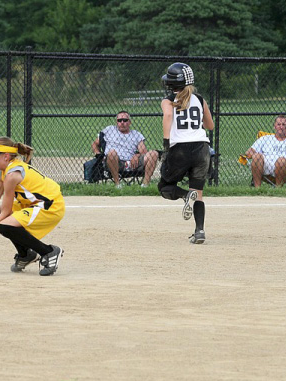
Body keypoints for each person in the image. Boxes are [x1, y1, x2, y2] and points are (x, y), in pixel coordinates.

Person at [0, 137, 65, 276]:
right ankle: (25, 254)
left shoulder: (12, 175)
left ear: (6, 156)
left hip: (49, 206)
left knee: (5, 225)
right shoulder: (3, 172)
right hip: (31, 203)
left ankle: (48, 251)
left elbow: (6, 212)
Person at [158, 62, 214, 244]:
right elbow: (210, 126)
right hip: (202, 148)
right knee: (198, 191)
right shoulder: (199, 98)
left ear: (171, 84)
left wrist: (166, 142)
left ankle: (183, 195)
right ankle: (199, 231)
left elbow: (168, 116)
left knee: (164, 187)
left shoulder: (168, 101)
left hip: (180, 149)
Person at [91, 111, 158, 187]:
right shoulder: (109, 130)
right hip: (115, 162)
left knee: (154, 153)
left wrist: (137, 155)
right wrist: (98, 154)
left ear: (130, 122)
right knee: (112, 153)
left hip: (133, 163)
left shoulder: (136, 134)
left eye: (125, 120)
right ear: (117, 122)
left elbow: (144, 152)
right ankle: (118, 184)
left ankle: (145, 185)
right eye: (119, 120)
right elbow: (95, 144)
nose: (122, 122)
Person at [244, 115, 286, 187]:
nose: (281, 127)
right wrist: (254, 155)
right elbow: (249, 151)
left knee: (281, 161)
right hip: (266, 167)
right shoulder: (265, 138)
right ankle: (257, 189)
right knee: (257, 156)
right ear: (274, 126)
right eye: (278, 124)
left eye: (283, 124)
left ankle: (278, 189)